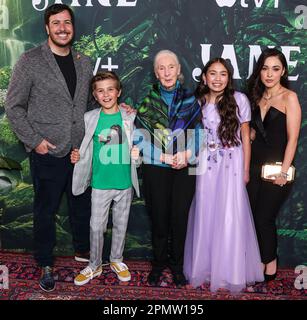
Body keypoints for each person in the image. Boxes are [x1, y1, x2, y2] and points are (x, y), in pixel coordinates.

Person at [5, 4, 93, 292]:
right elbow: (14, 106)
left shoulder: (84, 61)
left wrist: (120, 108)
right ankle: (45, 262)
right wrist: (34, 142)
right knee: (45, 210)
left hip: (79, 150)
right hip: (48, 151)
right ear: (47, 28)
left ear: (73, 27)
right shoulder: (30, 61)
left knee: (81, 204)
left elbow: (86, 104)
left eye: (67, 22)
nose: (62, 28)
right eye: (56, 23)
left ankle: (84, 252)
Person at [183, 58, 264, 292]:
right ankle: (206, 267)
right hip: (205, 163)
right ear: (204, 77)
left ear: (229, 78)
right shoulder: (197, 102)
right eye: (212, 73)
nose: (217, 79)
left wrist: (247, 170)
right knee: (206, 210)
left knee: (229, 213)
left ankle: (230, 270)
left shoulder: (240, 100)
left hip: (232, 163)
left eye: (223, 74)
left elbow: (247, 138)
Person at [135, 50, 203, 287]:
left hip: (184, 166)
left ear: (178, 70)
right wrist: (162, 156)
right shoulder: (147, 102)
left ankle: (177, 266)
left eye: (171, 67)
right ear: (156, 73)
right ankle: (158, 264)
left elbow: (199, 132)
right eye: (161, 68)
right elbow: (139, 137)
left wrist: (187, 154)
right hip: (156, 166)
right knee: (159, 218)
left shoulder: (191, 100)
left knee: (179, 219)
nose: (167, 72)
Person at [71, 71, 140, 285]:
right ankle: (94, 265)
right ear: (95, 95)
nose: (106, 94)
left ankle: (117, 259)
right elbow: (83, 146)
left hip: (124, 183)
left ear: (119, 92)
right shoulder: (89, 117)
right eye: (100, 91)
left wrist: (137, 157)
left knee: (121, 224)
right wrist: (77, 154)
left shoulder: (130, 116)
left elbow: (137, 147)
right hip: (100, 183)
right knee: (96, 227)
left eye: (111, 89)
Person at [247, 48, 301, 281]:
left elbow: (293, 139)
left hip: (277, 167)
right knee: (252, 216)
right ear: (260, 71)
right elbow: (253, 130)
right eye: (265, 68)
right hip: (254, 166)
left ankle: (268, 264)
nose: (269, 74)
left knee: (264, 218)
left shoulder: (290, 97)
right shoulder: (256, 96)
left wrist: (283, 171)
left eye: (275, 69)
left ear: (283, 71)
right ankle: (263, 262)